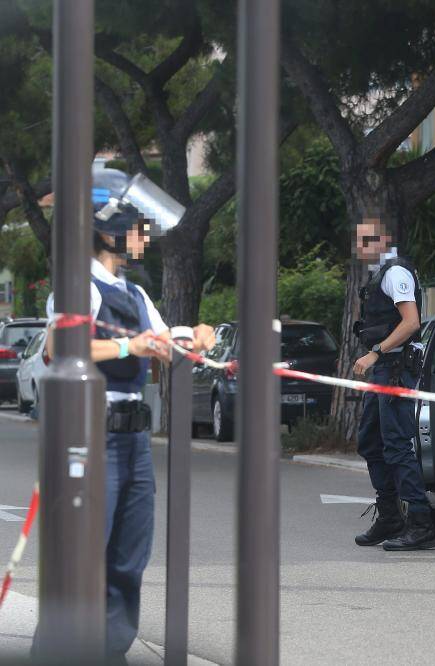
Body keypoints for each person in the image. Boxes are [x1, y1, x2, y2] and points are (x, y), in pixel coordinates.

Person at [42, 164, 215, 663]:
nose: (145, 237)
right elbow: (60, 347)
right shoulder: (79, 286)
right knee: (84, 558)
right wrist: (128, 349)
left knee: (128, 558)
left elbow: (163, 344)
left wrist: (193, 337)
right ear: (109, 227)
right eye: (138, 227)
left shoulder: (136, 295)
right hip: (92, 435)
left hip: (134, 440)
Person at [351, 218, 435, 551]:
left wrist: (376, 352)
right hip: (384, 371)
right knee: (370, 442)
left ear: (385, 238)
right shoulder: (379, 274)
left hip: (394, 369)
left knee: (397, 445)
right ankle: (390, 516)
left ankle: (420, 522)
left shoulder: (395, 274)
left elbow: (411, 322)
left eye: (370, 239)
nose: (364, 246)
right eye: (360, 240)